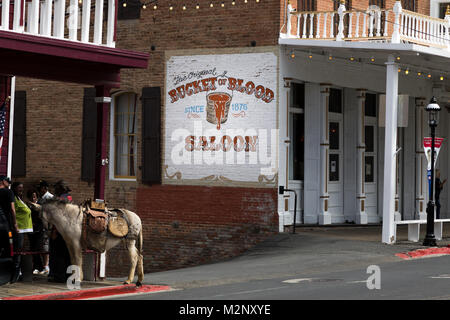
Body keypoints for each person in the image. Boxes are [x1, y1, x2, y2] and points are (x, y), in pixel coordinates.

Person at [47, 180, 72, 283]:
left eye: (56, 188)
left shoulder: (61, 199)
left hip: (60, 230)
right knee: (66, 254)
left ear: (60, 189)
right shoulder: (69, 197)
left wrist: (54, 231)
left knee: (58, 254)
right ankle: (66, 275)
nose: (55, 190)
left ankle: (58, 276)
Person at [0, 176, 19, 283]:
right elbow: (12, 209)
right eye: (8, 181)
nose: (9, 183)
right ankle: (12, 274)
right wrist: (15, 224)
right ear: (3, 181)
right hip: (6, 225)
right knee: (11, 249)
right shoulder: (8, 192)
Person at [26, 189, 45, 275]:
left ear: (37, 196)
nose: (33, 198)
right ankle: (37, 266)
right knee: (32, 248)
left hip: (39, 229)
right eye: (31, 197)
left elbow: (40, 213)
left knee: (37, 248)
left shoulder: (40, 203)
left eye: (34, 196)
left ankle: (40, 267)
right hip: (31, 229)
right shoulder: (28, 204)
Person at [37, 180, 52, 275]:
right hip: (42, 225)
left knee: (46, 246)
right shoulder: (42, 198)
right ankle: (45, 266)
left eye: (40, 187)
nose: (39, 189)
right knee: (43, 246)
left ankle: (46, 267)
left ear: (45, 188)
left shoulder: (49, 198)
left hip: (47, 226)